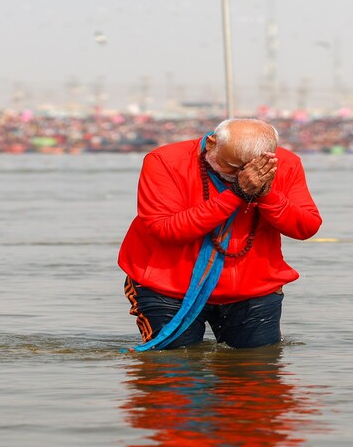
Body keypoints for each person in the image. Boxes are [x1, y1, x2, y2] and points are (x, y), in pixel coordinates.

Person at [118, 118, 322, 349]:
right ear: (212, 144)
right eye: (232, 167)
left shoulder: (285, 163)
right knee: (172, 373)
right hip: (167, 286)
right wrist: (237, 194)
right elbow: (167, 230)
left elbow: (306, 228)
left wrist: (267, 194)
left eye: (248, 167)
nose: (241, 175)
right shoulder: (164, 160)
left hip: (253, 288)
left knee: (259, 374)